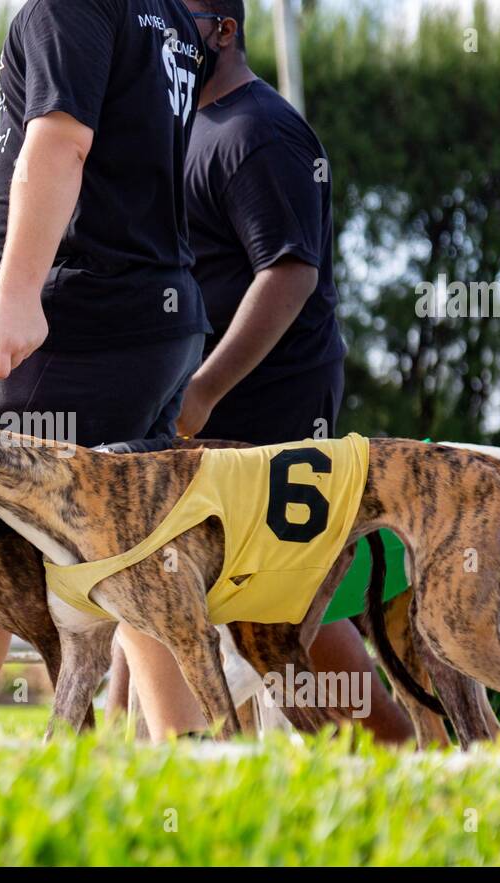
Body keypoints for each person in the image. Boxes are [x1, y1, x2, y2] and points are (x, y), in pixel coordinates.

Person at [103, 0, 415, 742]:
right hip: (198, 396)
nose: (164, 39)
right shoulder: (182, 129)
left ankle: (388, 741)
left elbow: (289, 275)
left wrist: (202, 391)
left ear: (222, 30)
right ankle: (142, 744)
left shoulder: (257, 133)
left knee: (262, 597)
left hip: (267, 403)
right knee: (170, 575)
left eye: (180, 23)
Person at [0, 0, 214, 731]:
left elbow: (60, 144)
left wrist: (17, 297)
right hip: (153, 318)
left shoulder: (68, 6)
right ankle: (190, 755)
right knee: (133, 544)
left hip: (86, 324)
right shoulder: (163, 14)